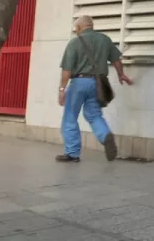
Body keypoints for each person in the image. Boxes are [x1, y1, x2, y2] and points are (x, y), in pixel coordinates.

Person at [57, 15, 133, 162]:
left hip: (79, 82)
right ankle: (105, 135)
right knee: (94, 115)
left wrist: (62, 90)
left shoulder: (74, 43)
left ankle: (72, 153)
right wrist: (121, 74)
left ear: (79, 27)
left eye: (76, 29)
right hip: (98, 83)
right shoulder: (104, 40)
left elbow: (66, 70)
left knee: (70, 116)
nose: (76, 32)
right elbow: (116, 60)